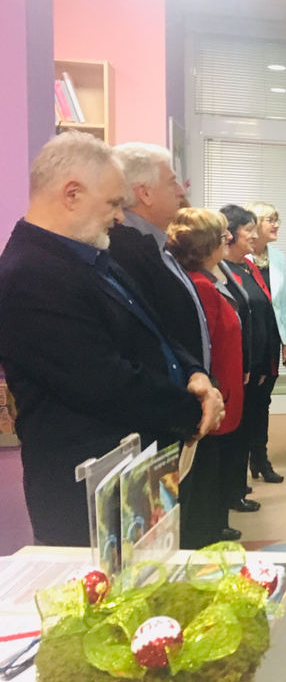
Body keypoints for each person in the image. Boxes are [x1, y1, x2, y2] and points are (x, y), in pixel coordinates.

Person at [0, 132, 223, 546]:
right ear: (72, 194)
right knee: (113, 586)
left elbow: (156, 329)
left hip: (136, 463)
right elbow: (104, 382)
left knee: (155, 573)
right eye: (113, 203)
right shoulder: (29, 275)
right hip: (88, 486)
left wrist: (195, 373)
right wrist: (194, 409)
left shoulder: (89, 253)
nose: (120, 217)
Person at [166, 207, 245, 544]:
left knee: (214, 465)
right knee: (206, 468)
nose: (228, 239)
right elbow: (205, 344)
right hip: (213, 390)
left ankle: (215, 524)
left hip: (223, 386)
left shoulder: (208, 279)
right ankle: (208, 533)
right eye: (222, 235)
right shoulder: (200, 286)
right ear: (207, 245)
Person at [108, 142, 210, 371]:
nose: (181, 191)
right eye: (172, 182)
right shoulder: (123, 252)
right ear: (145, 193)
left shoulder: (156, 245)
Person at [220, 204, 279, 512]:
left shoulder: (249, 266)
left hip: (259, 361)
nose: (255, 236)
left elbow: (265, 312)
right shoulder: (221, 271)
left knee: (254, 421)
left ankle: (242, 480)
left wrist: (267, 359)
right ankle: (232, 490)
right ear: (230, 235)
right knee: (237, 429)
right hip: (239, 365)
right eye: (249, 230)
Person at [245, 201, 286, 483]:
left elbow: (284, 303)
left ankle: (260, 459)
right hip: (249, 340)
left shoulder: (277, 257)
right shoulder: (238, 258)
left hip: (272, 338)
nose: (276, 225)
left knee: (263, 400)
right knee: (247, 402)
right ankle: (239, 464)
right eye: (270, 220)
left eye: (277, 220)